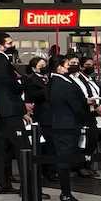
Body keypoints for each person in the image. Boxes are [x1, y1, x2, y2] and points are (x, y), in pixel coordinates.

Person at [45, 54, 88, 201]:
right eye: (67, 64)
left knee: (66, 158)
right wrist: (85, 119)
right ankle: (66, 194)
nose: (69, 66)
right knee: (64, 160)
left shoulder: (57, 81)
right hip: (66, 125)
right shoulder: (62, 84)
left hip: (63, 124)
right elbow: (76, 105)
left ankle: (66, 193)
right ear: (59, 67)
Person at [0, 31, 26, 194]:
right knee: (23, 147)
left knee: (4, 149)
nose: (13, 45)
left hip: (0, 110)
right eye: (9, 43)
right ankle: (28, 187)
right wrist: (22, 83)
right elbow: (11, 84)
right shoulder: (1, 62)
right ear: (0, 46)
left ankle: (2, 184)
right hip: (10, 109)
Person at [23, 56, 58, 184]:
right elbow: (34, 95)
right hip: (41, 114)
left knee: (52, 144)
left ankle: (51, 170)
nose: (44, 68)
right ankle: (46, 171)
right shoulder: (31, 80)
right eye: (41, 66)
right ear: (34, 68)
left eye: (45, 65)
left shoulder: (49, 78)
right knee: (45, 145)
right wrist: (47, 89)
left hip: (52, 114)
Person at [71, 53, 101, 178]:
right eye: (87, 65)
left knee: (92, 140)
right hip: (83, 112)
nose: (90, 67)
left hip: (93, 111)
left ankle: (88, 164)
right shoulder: (76, 80)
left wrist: (100, 106)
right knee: (83, 141)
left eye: (92, 65)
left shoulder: (90, 80)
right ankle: (81, 166)